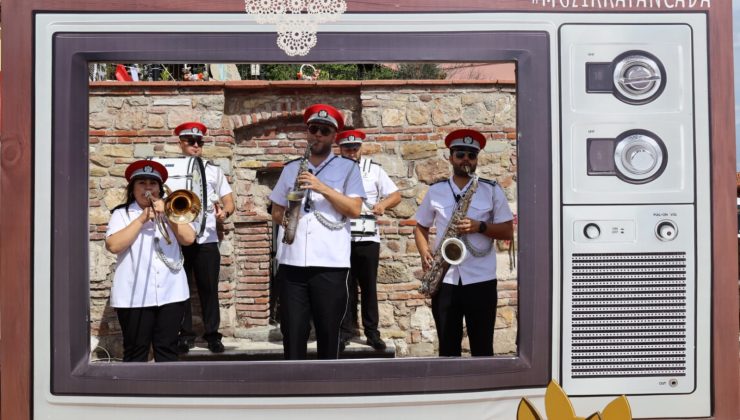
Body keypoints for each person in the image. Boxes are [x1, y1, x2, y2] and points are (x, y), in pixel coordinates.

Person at [269, 104, 366, 360]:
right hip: (292, 262)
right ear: (307, 133)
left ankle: (330, 391)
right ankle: (293, 390)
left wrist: (321, 187)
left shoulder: (348, 169)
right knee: (292, 332)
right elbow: (276, 210)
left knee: (328, 333)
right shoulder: (291, 168)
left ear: (334, 136)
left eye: (324, 131)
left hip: (330, 264)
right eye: (313, 129)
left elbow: (355, 209)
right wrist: (288, 215)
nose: (318, 135)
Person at [413, 129, 514, 357]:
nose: (465, 159)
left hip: (481, 279)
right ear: (451, 158)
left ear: (477, 159)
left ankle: (484, 391)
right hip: (445, 277)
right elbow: (420, 226)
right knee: (448, 347)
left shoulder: (491, 189)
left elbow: (508, 230)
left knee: (482, 346)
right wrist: (424, 251)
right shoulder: (436, 190)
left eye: (471, 155)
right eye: (460, 154)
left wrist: (481, 226)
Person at [105, 160, 197, 362]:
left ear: (160, 188)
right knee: (135, 352)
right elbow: (113, 246)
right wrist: (141, 219)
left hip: (171, 293)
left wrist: (170, 215)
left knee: (168, 351)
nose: (148, 188)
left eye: (153, 184)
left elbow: (189, 239)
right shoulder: (121, 213)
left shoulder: (173, 212)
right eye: (142, 183)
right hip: (134, 296)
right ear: (133, 188)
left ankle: (169, 393)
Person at [336, 129, 401, 351]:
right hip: (340, 236)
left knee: (369, 287)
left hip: (367, 236)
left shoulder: (374, 170)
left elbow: (395, 194)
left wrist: (383, 205)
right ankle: (344, 332)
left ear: (361, 148)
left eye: (355, 148)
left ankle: (372, 332)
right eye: (347, 148)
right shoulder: (333, 169)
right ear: (340, 149)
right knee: (343, 287)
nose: (352, 152)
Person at [173, 121, 235, 354]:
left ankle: (212, 335)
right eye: (191, 141)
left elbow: (229, 200)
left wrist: (225, 212)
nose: (196, 146)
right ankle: (184, 335)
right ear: (181, 143)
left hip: (206, 238)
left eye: (200, 142)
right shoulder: (172, 169)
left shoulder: (213, 170)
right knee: (180, 289)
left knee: (209, 289)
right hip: (178, 238)